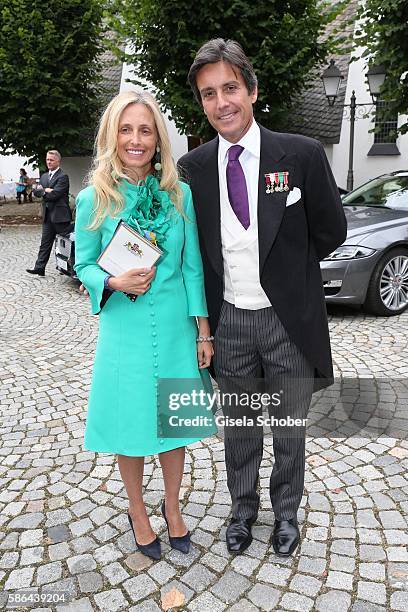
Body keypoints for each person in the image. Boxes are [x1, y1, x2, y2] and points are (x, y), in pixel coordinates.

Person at [178, 38, 347, 557]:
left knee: (289, 428)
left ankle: (287, 513)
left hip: (286, 321)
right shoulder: (195, 168)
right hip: (230, 322)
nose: (221, 102)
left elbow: (331, 230)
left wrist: (288, 276)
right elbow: (196, 252)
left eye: (230, 87)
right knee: (241, 428)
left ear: (251, 90)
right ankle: (242, 510)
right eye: (209, 94)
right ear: (202, 103)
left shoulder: (300, 154)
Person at [74, 89, 216, 560]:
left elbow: (193, 265)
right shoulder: (94, 198)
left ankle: (173, 507)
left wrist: (203, 329)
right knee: (132, 423)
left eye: (146, 130)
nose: (136, 139)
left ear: (158, 139)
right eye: (127, 129)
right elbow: (85, 265)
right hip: (126, 331)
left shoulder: (180, 195)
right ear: (112, 136)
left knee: (174, 424)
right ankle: (138, 510)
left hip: (176, 328)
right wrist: (112, 279)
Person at [26, 150, 71, 276]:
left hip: (60, 216)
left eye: (51, 160)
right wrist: (46, 190)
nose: (49, 162)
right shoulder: (45, 176)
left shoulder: (63, 176)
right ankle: (39, 268)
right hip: (48, 216)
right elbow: (36, 192)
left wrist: (44, 191)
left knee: (64, 243)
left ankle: (65, 267)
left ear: (58, 161)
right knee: (45, 243)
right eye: (47, 159)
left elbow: (55, 195)